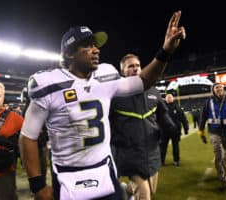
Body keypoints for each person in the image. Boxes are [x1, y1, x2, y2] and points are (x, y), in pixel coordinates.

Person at [19, 10, 186, 200]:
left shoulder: (105, 76)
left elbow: (143, 82)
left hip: (103, 170)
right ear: (69, 53)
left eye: (95, 45)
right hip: (68, 174)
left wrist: (165, 51)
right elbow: (27, 137)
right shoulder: (48, 84)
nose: (96, 50)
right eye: (87, 46)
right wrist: (38, 185)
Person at [109, 53, 176, 200]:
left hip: (152, 152)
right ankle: (130, 190)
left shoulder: (153, 91)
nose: (135, 69)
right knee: (145, 195)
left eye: (137, 65)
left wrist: (170, 126)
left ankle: (126, 190)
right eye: (130, 66)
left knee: (152, 190)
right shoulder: (115, 95)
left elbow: (162, 114)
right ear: (122, 71)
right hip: (130, 154)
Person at [197, 82, 226, 189]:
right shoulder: (208, 102)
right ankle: (224, 180)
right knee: (218, 156)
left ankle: (221, 173)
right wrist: (201, 131)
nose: (219, 88)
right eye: (217, 87)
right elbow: (203, 117)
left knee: (225, 157)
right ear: (213, 90)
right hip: (214, 132)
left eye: (221, 87)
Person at [160, 93, 189, 166]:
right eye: (168, 97)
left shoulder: (177, 107)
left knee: (175, 146)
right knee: (163, 147)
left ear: (173, 98)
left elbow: (183, 118)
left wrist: (186, 128)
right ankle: (161, 161)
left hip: (175, 131)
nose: (169, 98)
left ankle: (176, 160)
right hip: (164, 131)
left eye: (170, 97)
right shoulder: (162, 108)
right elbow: (157, 119)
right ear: (165, 99)